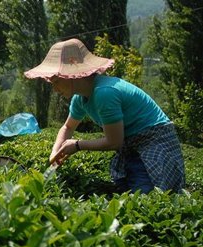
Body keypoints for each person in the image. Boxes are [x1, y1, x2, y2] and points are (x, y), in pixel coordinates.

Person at [24, 38, 185, 193]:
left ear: (71, 75)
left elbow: (114, 141)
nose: (55, 89)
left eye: (56, 81)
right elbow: (67, 127)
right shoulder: (79, 99)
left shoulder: (104, 93)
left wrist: (77, 145)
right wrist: (55, 153)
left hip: (154, 141)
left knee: (148, 196)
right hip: (131, 145)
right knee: (127, 188)